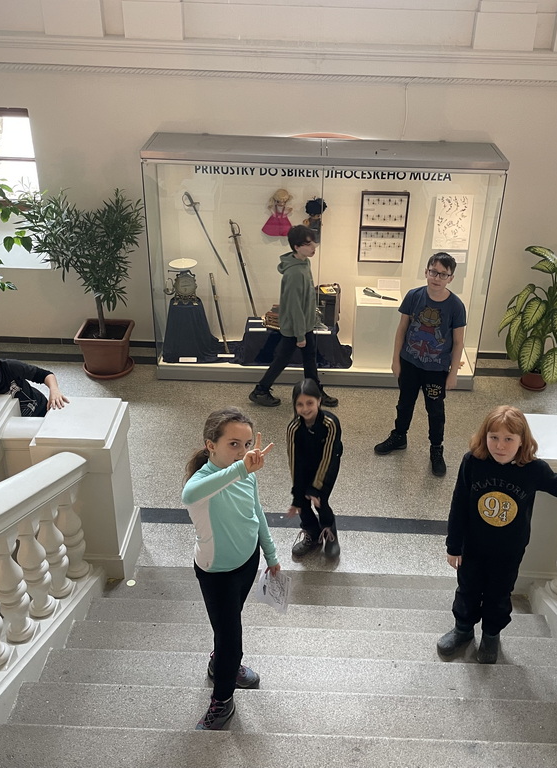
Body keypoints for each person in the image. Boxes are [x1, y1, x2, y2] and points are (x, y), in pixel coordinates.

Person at [437, 405, 557, 664]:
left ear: (521, 441)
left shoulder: (533, 470)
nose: (500, 446)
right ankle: (463, 630)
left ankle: (491, 636)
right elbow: (459, 503)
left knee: (498, 595)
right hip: (472, 547)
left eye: (508, 439)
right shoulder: (472, 462)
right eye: (494, 437)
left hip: (508, 552)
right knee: (467, 591)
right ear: (485, 436)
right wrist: (453, 546)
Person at [182, 408, 281, 731]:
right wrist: (242, 468)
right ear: (211, 445)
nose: (243, 451)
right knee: (231, 639)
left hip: (248, 561)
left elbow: (256, 511)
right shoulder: (201, 484)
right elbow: (190, 494)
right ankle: (223, 700)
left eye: (247, 444)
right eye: (234, 444)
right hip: (217, 573)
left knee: (228, 625)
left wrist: (270, 553)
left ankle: (220, 662)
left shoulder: (245, 473)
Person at [374, 252, 466, 477]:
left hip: (437, 369)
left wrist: (453, 373)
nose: (437, 278)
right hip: (410, 363)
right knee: (404, 403)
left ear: (451, 278)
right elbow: (402, 330)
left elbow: (458, 342)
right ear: (426, 271)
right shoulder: (413, 296)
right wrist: (396, 360)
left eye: (443, 274)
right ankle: (399, 436)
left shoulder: (456, 306)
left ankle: (436, 448)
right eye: (433, 272)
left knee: (435, 410)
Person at [249, 224, 337, 409]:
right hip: (297, 327)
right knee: (284, 358)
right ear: (297, 247)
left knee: (309, 358)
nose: (313, 247)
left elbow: (304, 299)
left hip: (305, 324)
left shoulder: (304, 263)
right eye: (308, 244)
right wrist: (300, 335)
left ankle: (314, 391)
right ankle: (260, 390)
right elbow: (295, 306)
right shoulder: (294, 273)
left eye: (313, 243)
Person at [285, 378, 343, 559]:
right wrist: (298, 493)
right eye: (300, 404)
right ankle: (312, 533)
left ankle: (329, 531)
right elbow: (294, 462)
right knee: (302, 503)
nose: (305, 409)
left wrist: (316, 488)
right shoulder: (294, 428)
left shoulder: (330, 423)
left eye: (309, 403)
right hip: (305, 464)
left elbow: (328, 457)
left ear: (319, 401)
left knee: (321, 501)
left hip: (328, 463)